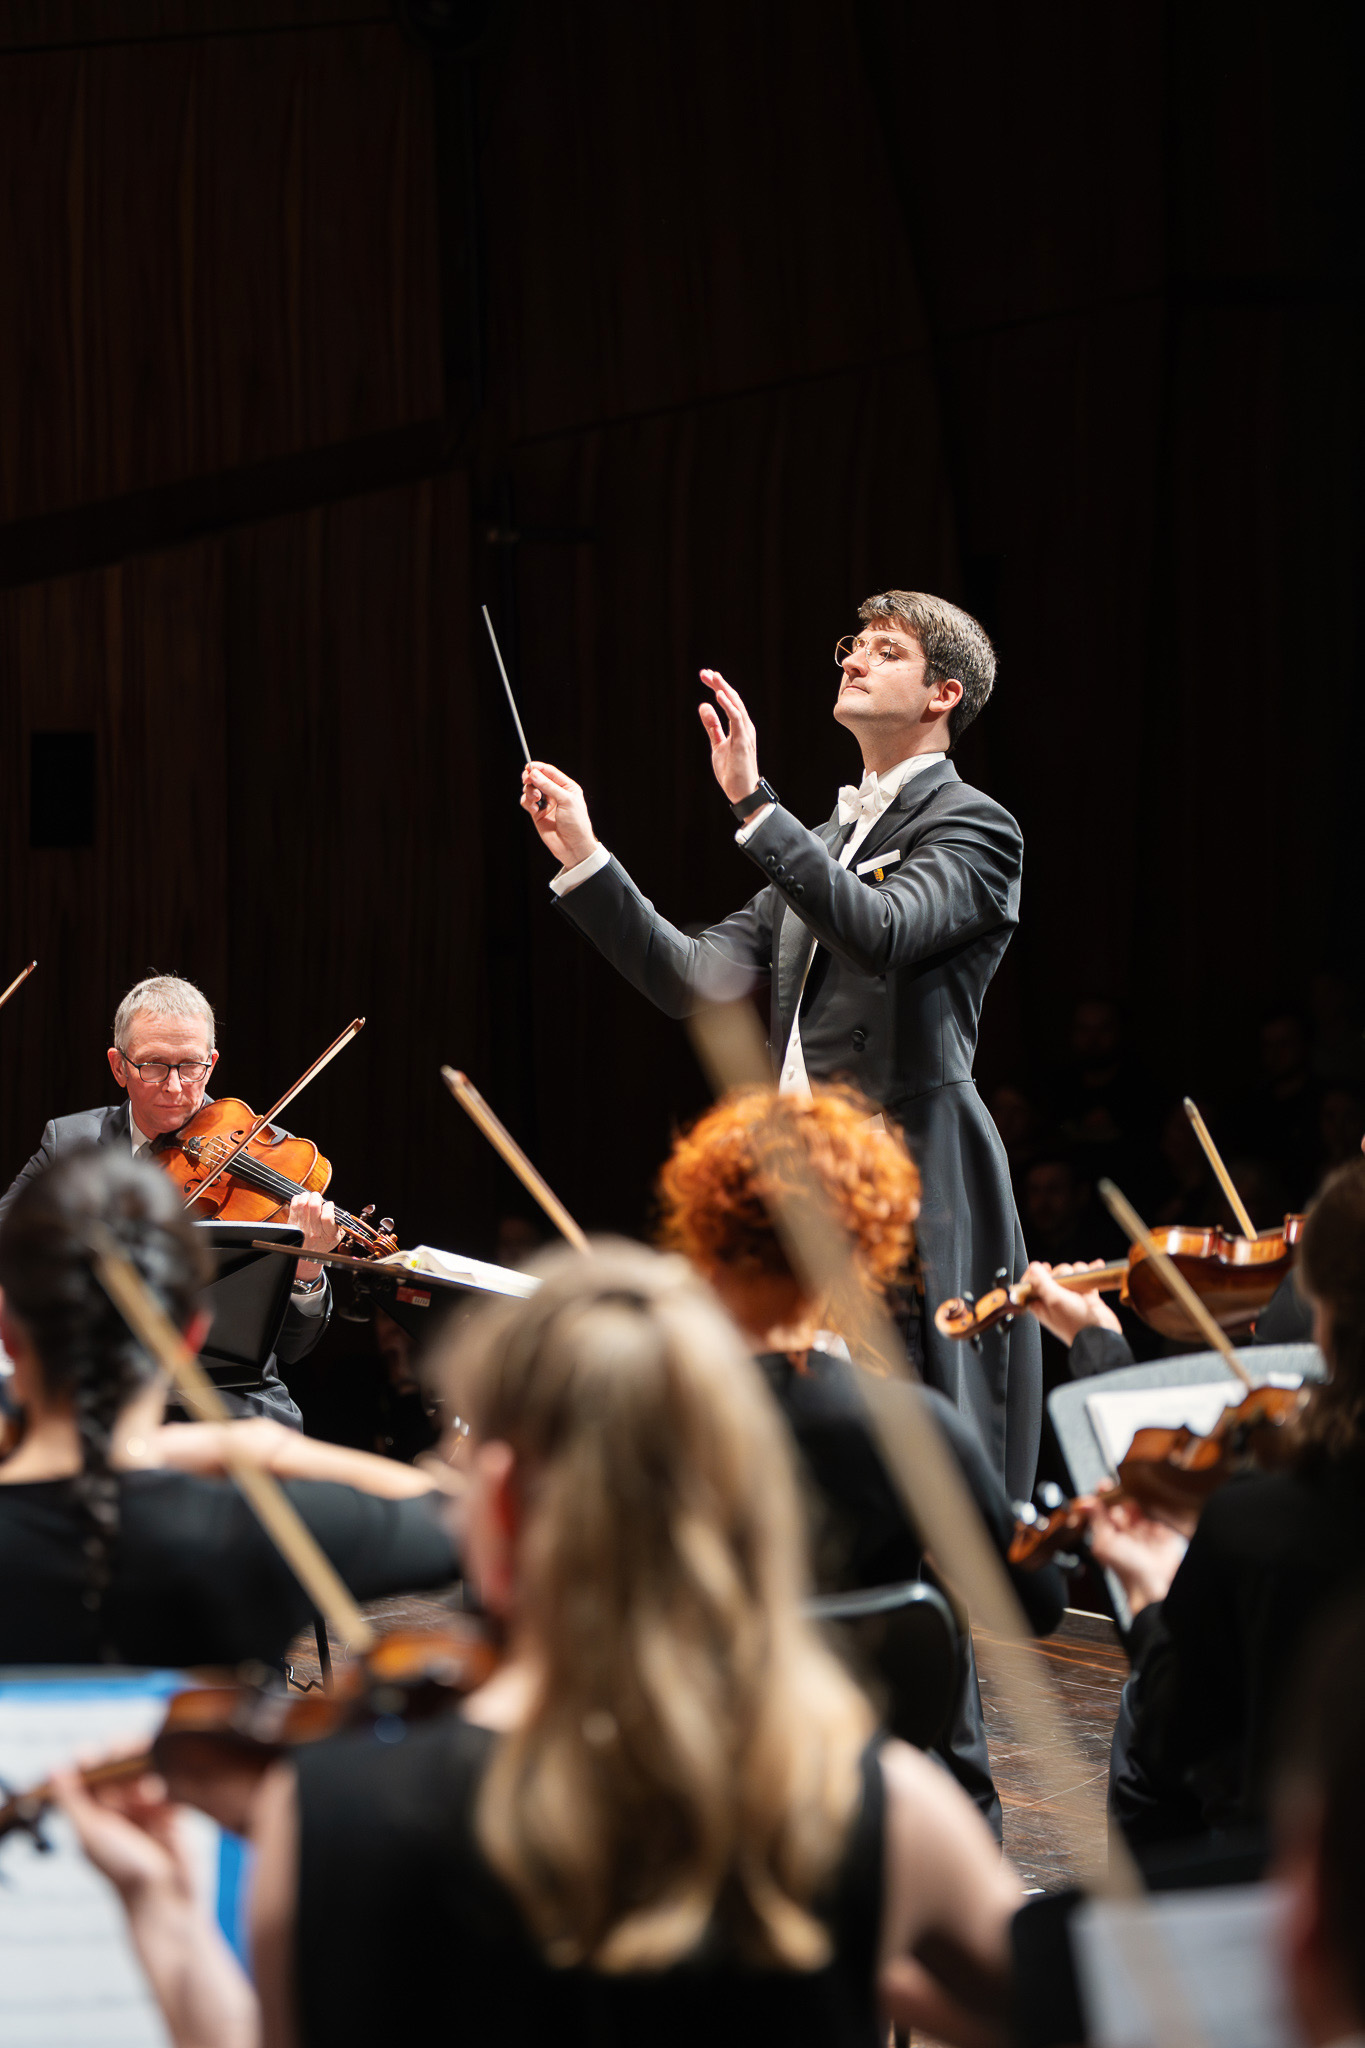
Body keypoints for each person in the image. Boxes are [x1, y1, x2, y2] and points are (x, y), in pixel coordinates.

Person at [60, 1243, 1022, 2048]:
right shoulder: (881, 1805)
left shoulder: (326, 1812)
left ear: (506, 1502)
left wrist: (165, 1920)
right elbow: (1076, 2008)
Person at [520, 590, 1041, 1500]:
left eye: (885, 650)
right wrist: (586, 857)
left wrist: (754, 806)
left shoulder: (974, 825)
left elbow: (881, 929)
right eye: (853, 645)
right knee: (794, 1464)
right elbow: (693, 978)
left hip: (903, 1175)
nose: (853, 659)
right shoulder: (825, 841)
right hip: (796, 1190)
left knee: (905, 1465)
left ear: (943, 695)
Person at [656, 1082, 1065, 1839]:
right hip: (864, 1803)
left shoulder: (643, 1416)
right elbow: (1034, 1604)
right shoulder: (911, 1427)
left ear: (706, 1240)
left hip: (683, 1793)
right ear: (860, 1252)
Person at [0, 1145, 458, 1668]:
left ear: (5, 1328)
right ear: (193, 1334)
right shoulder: (252, 1530)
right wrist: (269, 1448)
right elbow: (468, 1519)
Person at [1026, 1158, 1365, 1850]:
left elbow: (1178, 1734)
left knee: (1142, 1752)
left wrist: (1150, 1601)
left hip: (1288, 1867)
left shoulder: (1260, 1520)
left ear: (1326, 1322)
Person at [0, 974, 342, 1426]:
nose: (176, 1086)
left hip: (227, 1398)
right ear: (119, 1066)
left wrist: (307, 1273)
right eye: (154, 1066)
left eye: (191, 1066)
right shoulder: (71, 1142)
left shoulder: (267, 1155)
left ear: (211, 1064)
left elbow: (294, 1347)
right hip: (93, 1390)